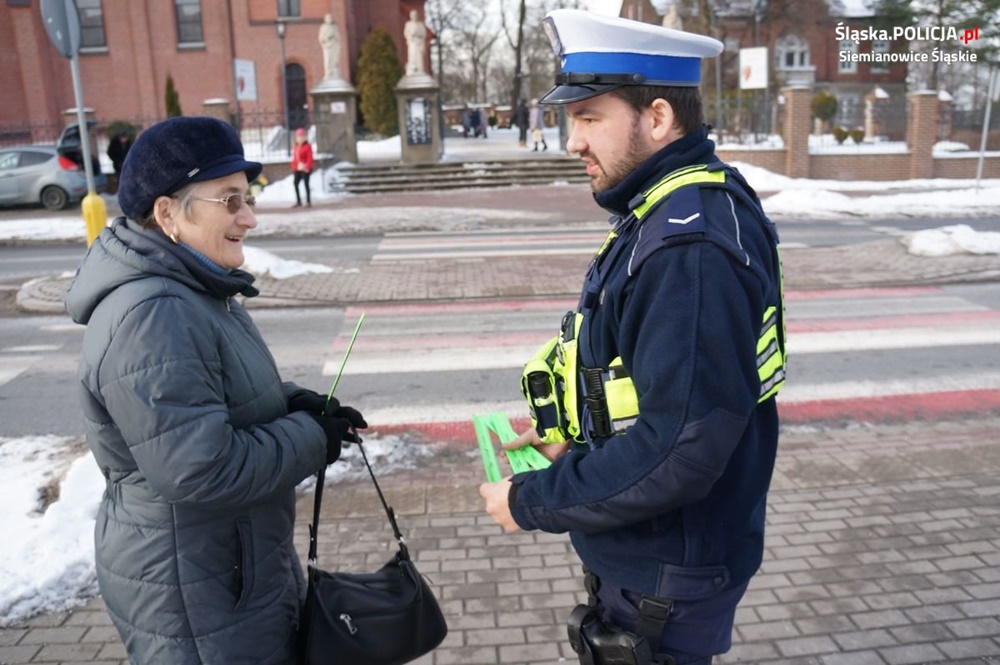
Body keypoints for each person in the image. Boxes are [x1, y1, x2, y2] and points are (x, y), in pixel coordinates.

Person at [478, 9, 786, 665]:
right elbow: (646, 379)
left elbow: (680, 446)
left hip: (667, 566)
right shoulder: (666, 206)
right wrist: (573, 430)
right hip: (652, 551)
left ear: (656, 118)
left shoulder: (689, 244)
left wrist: (532, 501)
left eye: (589, 117)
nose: (571, 140)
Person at [64, 115, 367, 664]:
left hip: (226, 572)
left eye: (247, 198)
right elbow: (199, 467)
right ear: (167, 214)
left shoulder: (194, 290)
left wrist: (295, 403)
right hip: (195, 592)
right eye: (229, 200)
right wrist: (309, 438)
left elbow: (209, 395)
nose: (249, 218)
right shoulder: (152, 314)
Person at [291, 127, 314, 208]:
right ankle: (298, 201)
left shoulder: (307, 146)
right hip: (298, 168)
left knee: (306, 184)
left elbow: (309, 158)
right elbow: (294, 158)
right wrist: (294, 167)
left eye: (301, 137)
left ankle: (308, 201)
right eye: (298, 137)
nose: (300, 139)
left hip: (305, 168)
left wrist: (307, 167)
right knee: (295, 183)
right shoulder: (296, 146)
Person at [404, 9, 427, 77]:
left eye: (415, 15)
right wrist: (411, 35)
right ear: (410, 16)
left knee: (419, 57)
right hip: (412, 43)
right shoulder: (408, 24)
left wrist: (418, 34)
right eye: (412, 15)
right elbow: (406, 33)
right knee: (412, 56)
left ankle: (420, 70)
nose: (414, 16)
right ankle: (413, 70)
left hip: (419, 43)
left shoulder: (420, 24)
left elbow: (424, 34)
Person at [319, 13, 342, 80]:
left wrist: (338, 44)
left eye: (330, 18)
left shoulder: (334, 27)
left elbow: (338, 37)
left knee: (335, 59)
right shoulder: (323, 27)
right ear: (325, 19)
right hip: (327, 46)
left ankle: (334, 71)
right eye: (328, 18)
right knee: (328, 60)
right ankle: (328, 72)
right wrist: (327, 38)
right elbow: (321, 38)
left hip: (334, 45)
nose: (330, 19)